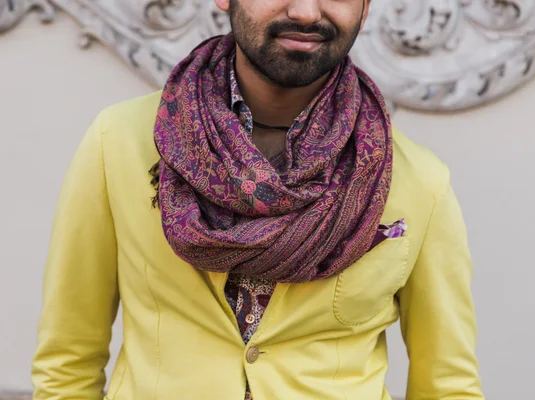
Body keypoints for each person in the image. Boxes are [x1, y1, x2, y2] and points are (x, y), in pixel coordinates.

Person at [31, 0, 484, 399]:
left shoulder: (417, 180)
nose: (307, 12)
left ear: (367, 5)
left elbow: (448, 388)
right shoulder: (120, 142)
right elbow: (67, 364)